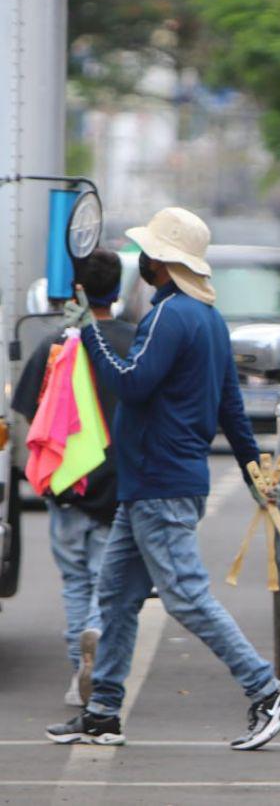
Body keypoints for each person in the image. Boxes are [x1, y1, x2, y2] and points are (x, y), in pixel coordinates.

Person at [45, 206, 280, 749]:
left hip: (158, 483)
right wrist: (252, 470)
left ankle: (266, 691)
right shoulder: (208, 318)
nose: (142, 261)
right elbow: (231, 407)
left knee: (185, 596)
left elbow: (131, 383)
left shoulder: (169, 315)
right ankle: (103, 712)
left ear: (161, 262)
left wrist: (89, 330)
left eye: (148, 253)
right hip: (156, 485)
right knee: (116, 596)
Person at [12, 249, 135, 708]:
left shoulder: (56, 345)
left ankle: (76, 670)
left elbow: (30, 415)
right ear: (117, 292)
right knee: (108, 580)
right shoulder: (136, 343)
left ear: (76, 290)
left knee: (74, 580)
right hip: (118, 485)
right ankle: (98, 654)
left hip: (67, 483)